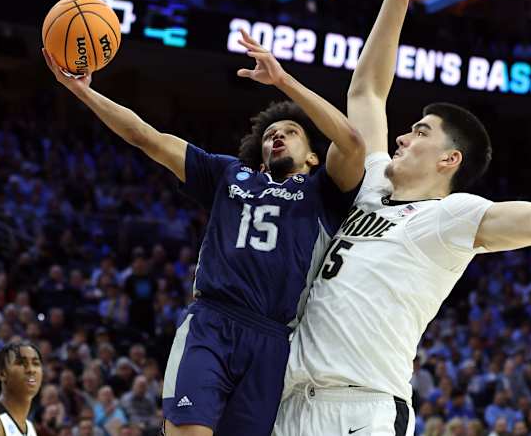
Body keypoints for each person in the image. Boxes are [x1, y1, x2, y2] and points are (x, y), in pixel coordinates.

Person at [273, 0, 531, 434]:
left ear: (450, 158)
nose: (403, 136)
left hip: (361, 408)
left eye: (421, 131)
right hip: (290, 401)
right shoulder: (369, 183)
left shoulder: (448, 216)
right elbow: (366, 91)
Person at [43, 27, 365, 436]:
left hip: (272, 339)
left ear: (314, 157)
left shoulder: (324, 191)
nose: (277, 135)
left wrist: (283, 79)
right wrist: (83, 92)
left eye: (290, 131)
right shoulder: (228, 173)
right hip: (212, 320)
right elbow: (146, 137)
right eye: (269, 134)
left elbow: (353, 140)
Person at [0, 342, 43, 436]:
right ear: (2, 374)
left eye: (36, 363)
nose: (31, 369)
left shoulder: (29, 427)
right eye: (21, 363)